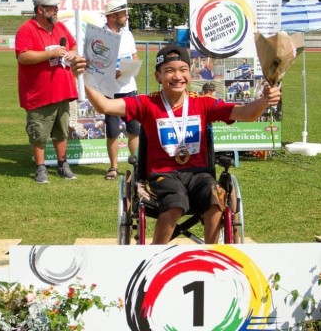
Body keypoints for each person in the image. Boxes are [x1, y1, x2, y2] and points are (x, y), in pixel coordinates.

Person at [84, 44, 280, 244]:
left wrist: (265, 100)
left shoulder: (203, 103)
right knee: (176, 201)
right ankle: (154, 255)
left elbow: (246, 113)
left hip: (199, 175)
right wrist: (85, 78)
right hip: (162, 177)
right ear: (158, 76)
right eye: (169, 71)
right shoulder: (146, 104)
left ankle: (211, 253)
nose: (177, 76)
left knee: (215, 197)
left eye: (183, 70)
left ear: (189, 74)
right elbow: (104, 105)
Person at [15, 0, 80, 184]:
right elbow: (23, 57)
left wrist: (72, 53)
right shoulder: (27, 29)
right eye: (52, 7)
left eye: (57, 7)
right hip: (39, 93)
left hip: (62, 90)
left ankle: (63, 164)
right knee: (39, 134)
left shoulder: (60, 27)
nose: (56, 10)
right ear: (40, 9)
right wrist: (50, 53)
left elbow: (74, 44)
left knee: (61, 132)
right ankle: (40, 168)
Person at [102, 1, 140, 180]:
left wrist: (130, 67)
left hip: (129, 88)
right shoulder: (101, 36)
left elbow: (135, 57)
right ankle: (113, 167)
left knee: (134, 129)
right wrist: (111, 73)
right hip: (110, 90)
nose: (127, 16)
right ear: (112, 16)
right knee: (112, 131)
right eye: (124, 13)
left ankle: (137, 164)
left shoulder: (128, 34)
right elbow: (95, 64)